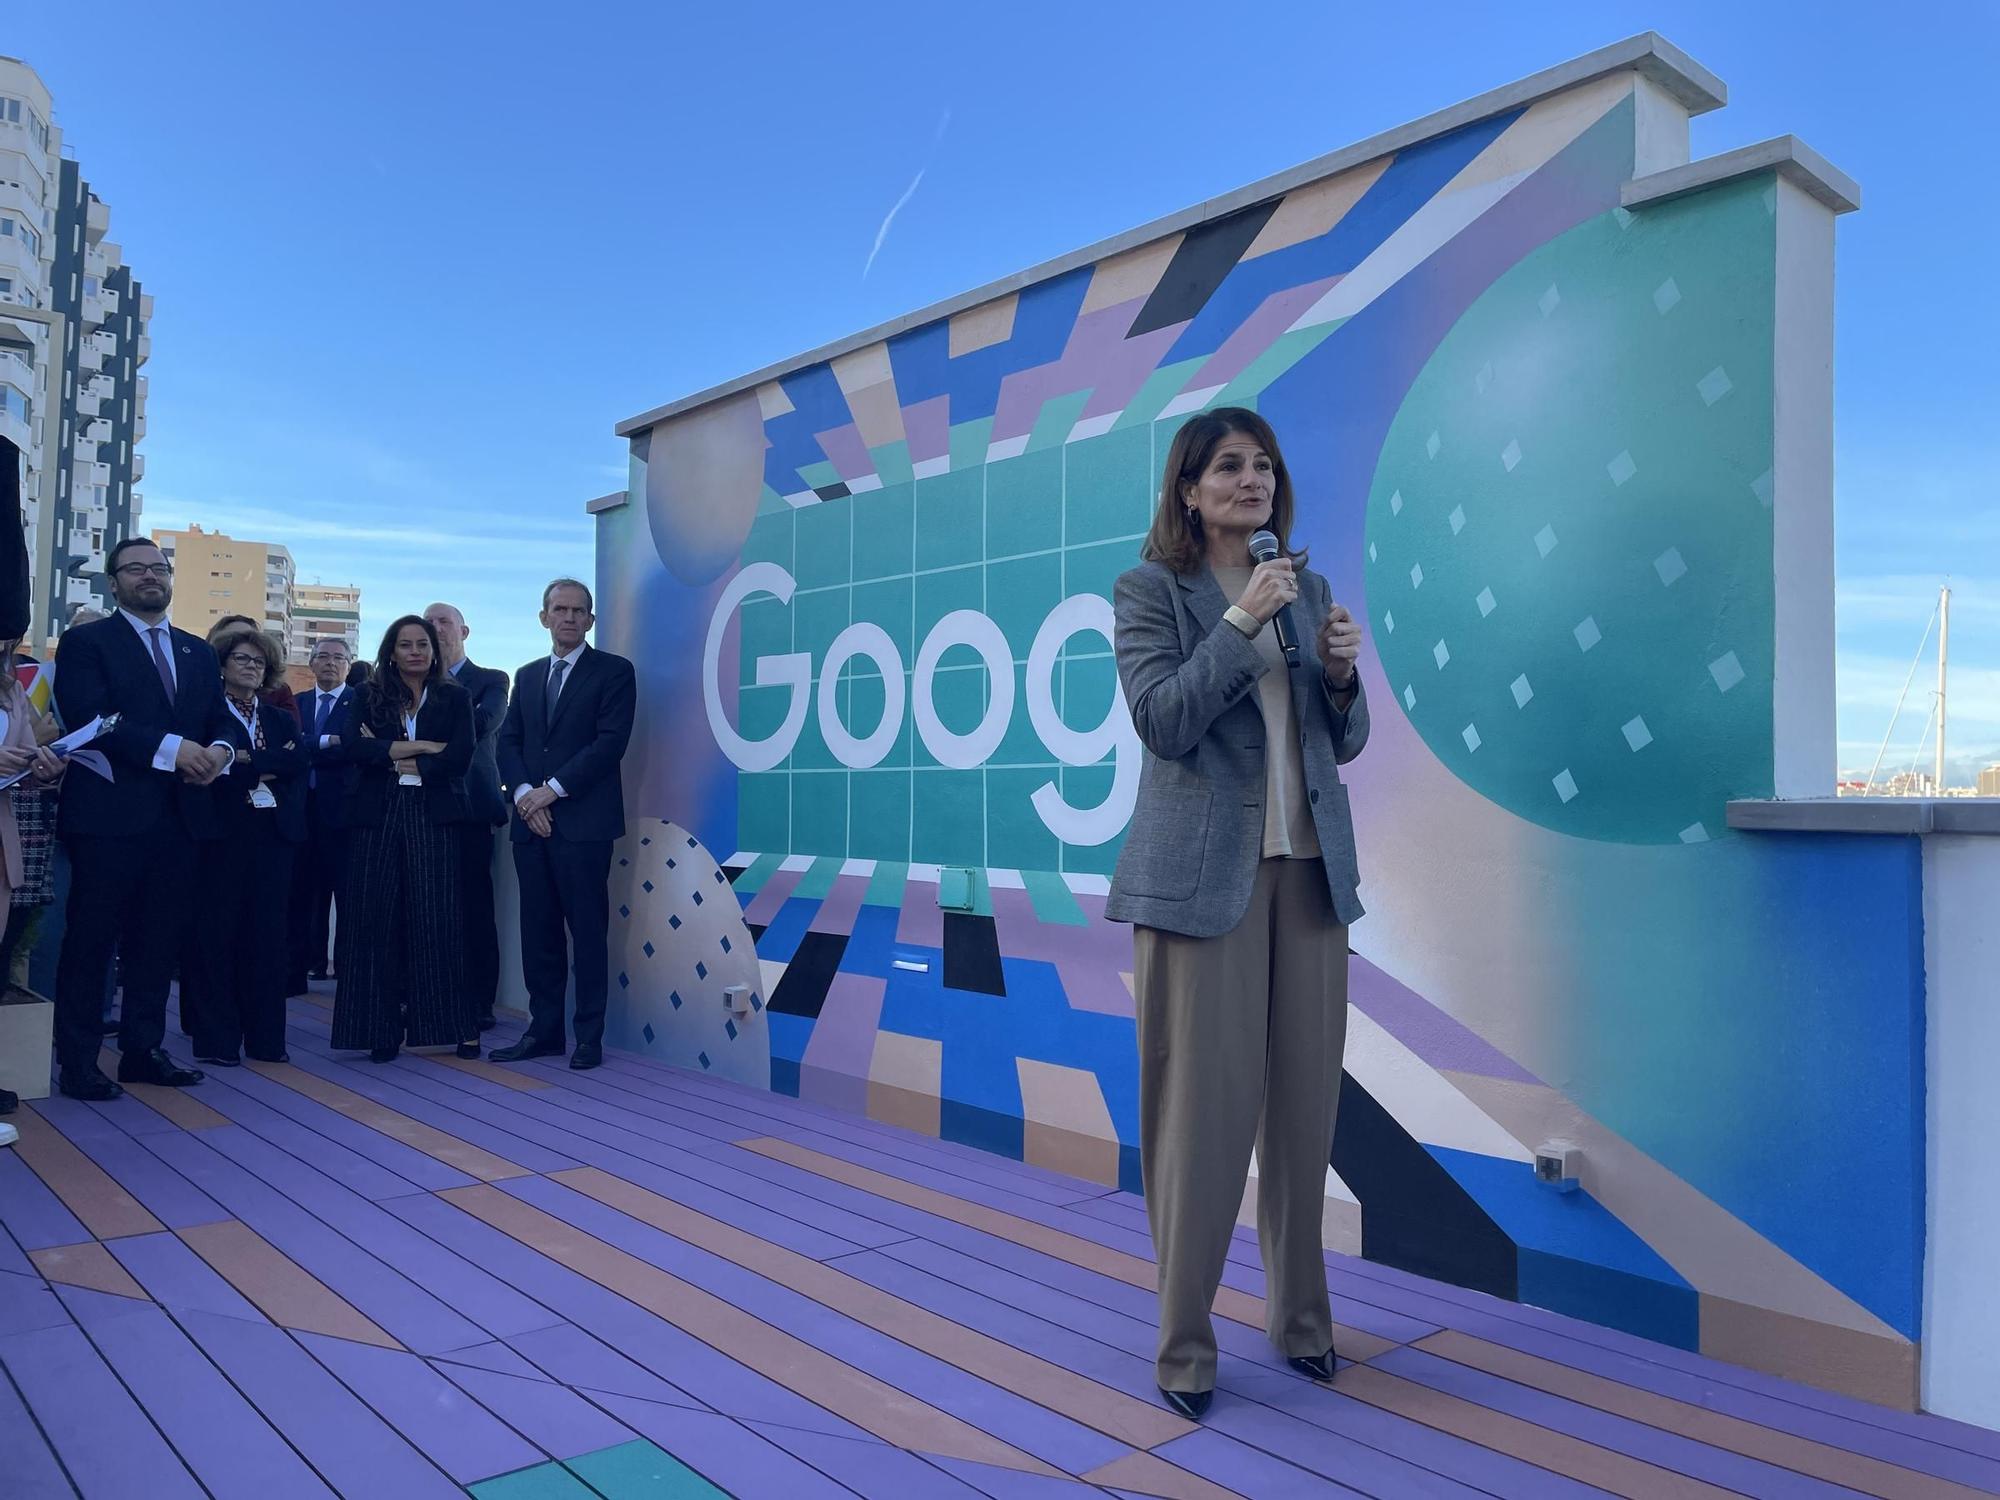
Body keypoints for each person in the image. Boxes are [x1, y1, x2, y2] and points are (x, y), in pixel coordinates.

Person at [1104, 407, 1368, 1420]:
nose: (1250, 479)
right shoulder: (1149, 592)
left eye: (1262, 464)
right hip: (1196, 888)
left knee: (1305, 1117)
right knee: (1198, 1127)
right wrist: (1241, 620)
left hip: (1308, 879)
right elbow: (1163, 722)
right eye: (1227, 466)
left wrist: (1339, 679)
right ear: (1186, 488)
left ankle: (1302, 1323)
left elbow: (1334, 746)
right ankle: (1183, 1348)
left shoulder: (1310, 591)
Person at [50, 538, 237, 1101]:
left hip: (180, 819)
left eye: (159, 568)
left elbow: (219, 719)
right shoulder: (87, 643)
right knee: (93, 941)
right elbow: (93, 718)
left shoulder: (196, 651)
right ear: (114, 583)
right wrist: (175, 749)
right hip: (109, 819)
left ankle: (142, 1050)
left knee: (158, 941)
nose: (150, 576)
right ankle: (80, 1061)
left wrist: (222, 753)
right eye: (136, 569)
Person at [490, 580, 634, 1071]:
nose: (569, 617)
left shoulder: (614, 672)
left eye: (579, 611)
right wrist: (527, 796)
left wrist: (551, 789)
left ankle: (588, 1037)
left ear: (590, 621)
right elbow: (507, 743)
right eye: (560, 609)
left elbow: (609, 743)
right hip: (532, 826)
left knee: (588, 934)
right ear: (543, 617)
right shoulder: (527, 676)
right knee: (539, 932)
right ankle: (544, 1031)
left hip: (584, 827)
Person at [330, 616, 478, 1063]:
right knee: (372, 920)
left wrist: (396, 752)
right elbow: (354, 748)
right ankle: (378, 1028)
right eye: (404, 644)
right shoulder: (367, 694)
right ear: (390, 651)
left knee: (438, 917)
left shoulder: (456, 696)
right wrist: (420, 748)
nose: (414, 651)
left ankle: (456, 1026)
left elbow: (460, 755)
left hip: (433, 812)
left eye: (423, 644)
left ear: (434, 650)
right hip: (377, 813)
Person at [193, 627, 307, 1066]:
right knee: (216, 936)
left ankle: (265, 1041)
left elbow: (298, 762)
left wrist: (243, 760)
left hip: (272, 836)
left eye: (259, 662)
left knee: (267, 939)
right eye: (242, 659)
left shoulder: (278, 718)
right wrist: (260, 765)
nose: (251, 667)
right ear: (222, 664)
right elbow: (206, 766)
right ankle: (217, 1041)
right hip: (221, 835)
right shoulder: (205, 713)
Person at [425, 603, 509, 1031]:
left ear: (464, 630)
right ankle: (427, 996)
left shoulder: (492, 680)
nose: (436, 628)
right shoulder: (410, 682)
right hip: (419, 809)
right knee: (425, 909)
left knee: (475, 909)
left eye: (444, 621)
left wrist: (419, 739)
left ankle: (479, 1003)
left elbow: (483, 723)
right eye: (429, 622)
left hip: (472, 809)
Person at [289, 637, 355, 988]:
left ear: (349, 664)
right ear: (311, 663)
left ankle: (344, 970)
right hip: (301, 811)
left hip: (343, 813)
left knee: (345, 895)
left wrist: (310, 743)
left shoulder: (359, 701)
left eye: (338, 658)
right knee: (301, 892)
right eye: (323, 657)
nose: (330, 663)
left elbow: (353, 744)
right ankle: (299, 969)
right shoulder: (296, 702)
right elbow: (289, 746)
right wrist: (327, 742)